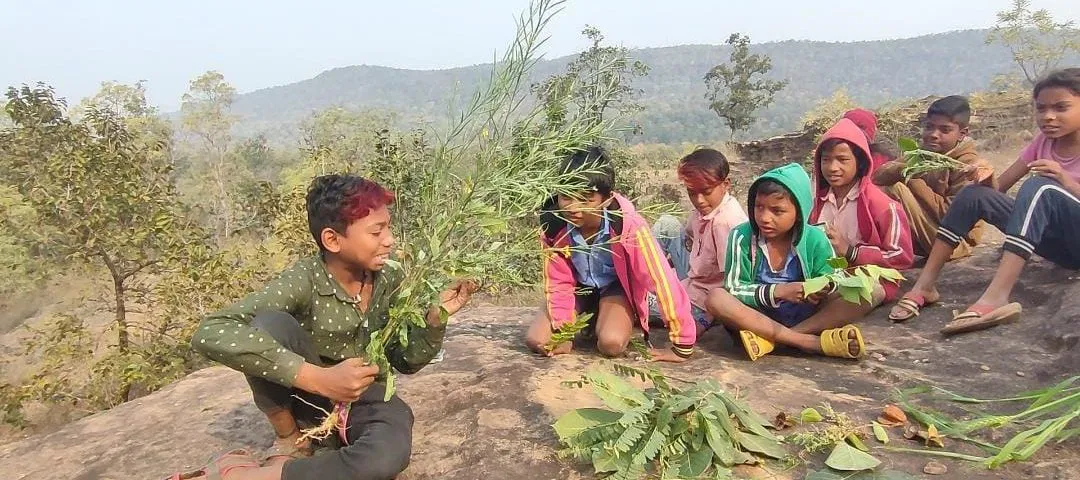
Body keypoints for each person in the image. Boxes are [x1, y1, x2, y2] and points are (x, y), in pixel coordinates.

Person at [177, 175, 476, 480]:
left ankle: (257, 476)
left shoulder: (390, 278)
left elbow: (405, 361)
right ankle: (291, 439)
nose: (390, 239)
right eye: (377, 231)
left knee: (386, 455)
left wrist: (434, 320)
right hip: (307, 398)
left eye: (388, 227)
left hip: (364, 398)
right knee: (267, 326)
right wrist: (317, 377)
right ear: (332, 239)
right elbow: (211, 331)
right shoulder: (304, 279)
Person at [888, 68, 1080, 333]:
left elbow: (1048, 189)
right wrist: (984, 175)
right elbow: (998, 189)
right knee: (972, 193)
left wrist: (1065, 181)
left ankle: (996, 296)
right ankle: (924, 286)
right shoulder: (1043, 142)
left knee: (1040, 187)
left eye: (1061, 108)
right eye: (1041, 108)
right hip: (1057, 245)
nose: (1048, 116)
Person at [524, 146, 696, 362]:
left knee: (610, 343)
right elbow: (558, 281)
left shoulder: (628, 227)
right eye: (566, 197)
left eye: (587, 198)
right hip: (579, 288)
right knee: (537, 340)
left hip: (616, 288)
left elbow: (661, 280)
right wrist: (565, 332)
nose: (574, 208)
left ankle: (616, 317)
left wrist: (683, 343)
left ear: (607, 198)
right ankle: (587, 318)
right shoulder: (555, 226)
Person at [706, 163, 873, 361]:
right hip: (756, 317)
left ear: (799, 211)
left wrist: (819, 288)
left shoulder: (816, 238)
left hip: (807, 316)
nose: (764, 218)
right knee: (716, 297)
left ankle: (776, 340)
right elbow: (734, 288)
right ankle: (809, 342)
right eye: (759, 207)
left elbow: (833, 276)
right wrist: (778, 291)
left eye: (777, 211)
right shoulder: (741, 236)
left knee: (864, 290)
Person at [873, 96, 996, 269]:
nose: (933, 135)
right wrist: (903, 170)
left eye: (944, 130)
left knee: (897, 188)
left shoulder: (967, 165)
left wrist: (912, 180)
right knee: (877, 189)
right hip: (926, 233)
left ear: (962, 133)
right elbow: (877, 177)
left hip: (953, 242)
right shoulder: (923, 154)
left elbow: (953, 215)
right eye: (929, 127)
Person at [810, 118, 914, 304]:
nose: (833, 168)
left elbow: (902, 256)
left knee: (869, 291)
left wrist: (851, 252)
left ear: (860, 162)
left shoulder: (883, 205)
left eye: (842, 160)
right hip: (826, 279)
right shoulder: (816, 204)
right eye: (826, 160)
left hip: (867, 279)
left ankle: (798, 332)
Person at [672, 147, 747, 335]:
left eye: (706, 191)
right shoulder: (703, 212)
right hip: (695, 277)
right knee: (667, 225)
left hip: (703, 299)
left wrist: (704, 320)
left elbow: (729, 283)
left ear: (725, 184)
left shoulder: (724, 222)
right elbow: (688, 234)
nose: (699, 200)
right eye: (691, 193)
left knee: (639, 304)